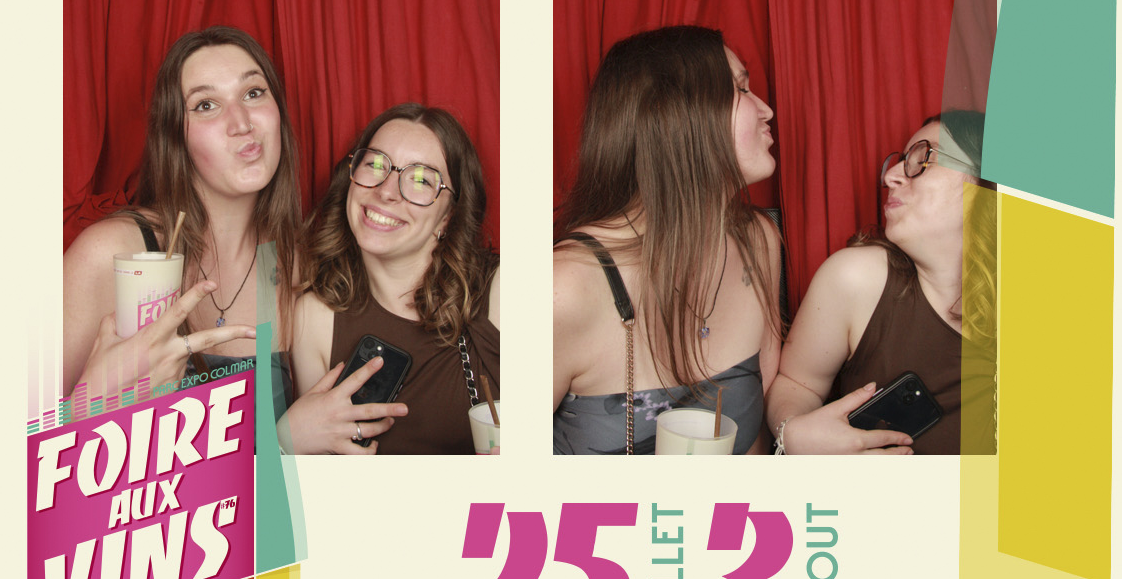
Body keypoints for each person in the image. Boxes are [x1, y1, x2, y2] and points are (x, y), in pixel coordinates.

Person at [553, 27, 782, 454]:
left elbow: (754, 439)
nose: (766, 109)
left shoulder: (758, 242)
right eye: (740, 89)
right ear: (678, 117)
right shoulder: (564, 285)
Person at [63, 27, 304, 420]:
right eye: (206, 105)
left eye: (253, 93)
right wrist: (90, 405)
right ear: (176, 136)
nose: (242, 123)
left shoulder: (302, 267)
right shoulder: (112, 255)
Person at [765, 117, 996, 454]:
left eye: (923, 160)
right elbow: (796, 384)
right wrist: (792, 431)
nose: (890, 177)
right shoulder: (856, 278)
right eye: (900, 161)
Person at [286, 105, 500, 454]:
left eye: (421, 180)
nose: (386, 191)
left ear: (449, 216)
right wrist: (287, 441)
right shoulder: (314, 317)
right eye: (375, 165)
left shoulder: (501, 290)